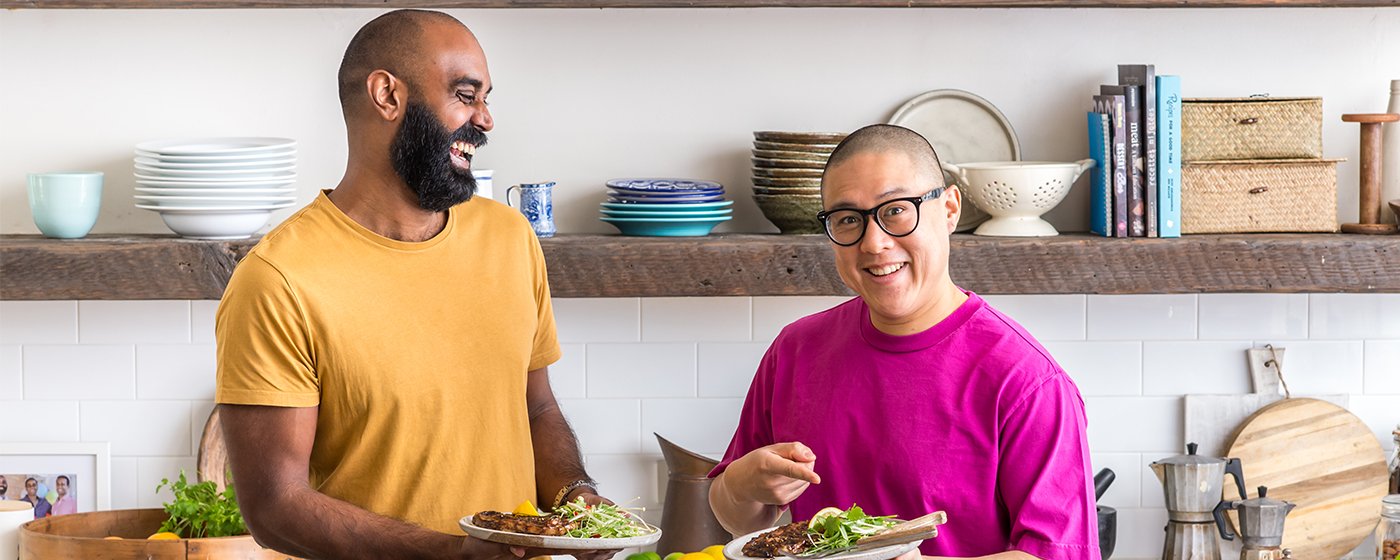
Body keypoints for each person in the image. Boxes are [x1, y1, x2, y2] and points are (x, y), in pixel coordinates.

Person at [215, 9, 613, 560]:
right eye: (466, 94)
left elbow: (536, 408)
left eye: (486, 98)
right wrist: (453, 553)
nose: (486, 119)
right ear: (387, 95)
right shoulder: (279, 279)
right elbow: (275, 509)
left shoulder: (509, 237)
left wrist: (577, 499)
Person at [707, 124, 1098, 560]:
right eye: (848, 219)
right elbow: (737, 517)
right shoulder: (795, 350)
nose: (873, 243)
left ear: (949, 209)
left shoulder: (1027, 381)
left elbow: (1061, 553)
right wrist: (742, 484)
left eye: (896, 209)